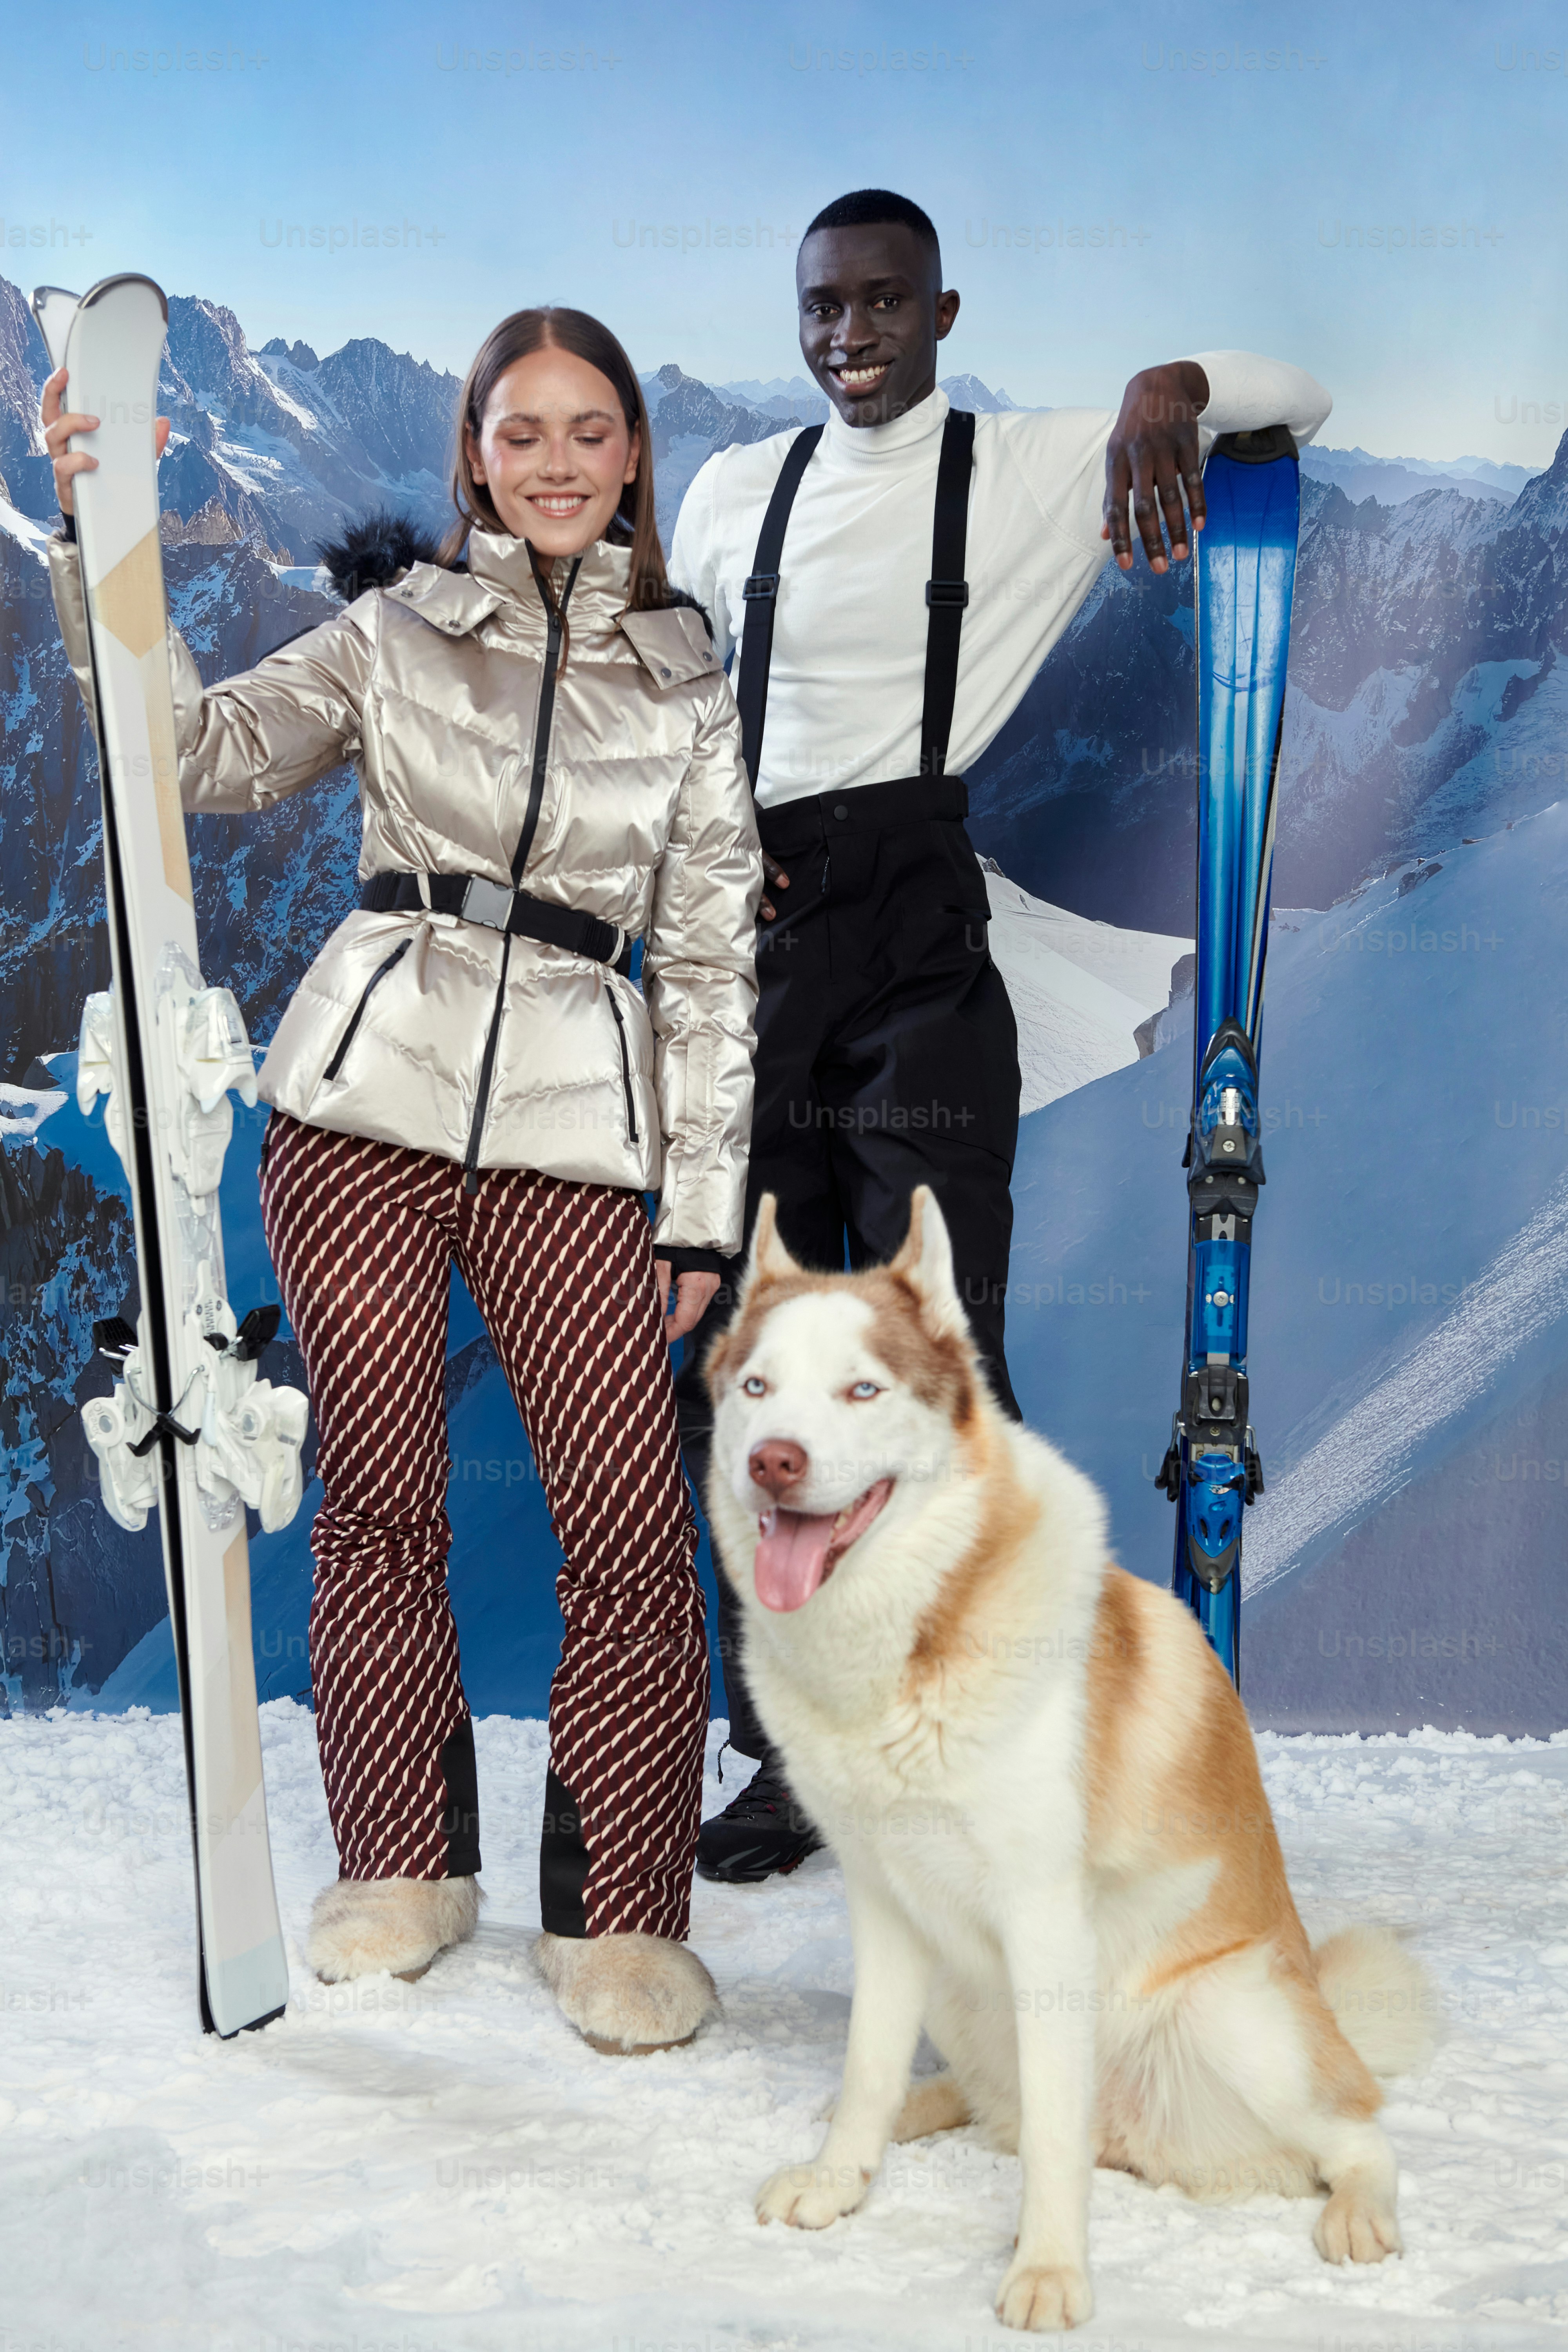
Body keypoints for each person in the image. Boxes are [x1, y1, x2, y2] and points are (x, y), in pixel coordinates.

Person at [44, 306, 762, 2051]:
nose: (559, 464)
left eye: (592, 431)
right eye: (523, 434)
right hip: (361, 1099)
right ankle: (400, 1870)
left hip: (583, 1129)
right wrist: (101, 554)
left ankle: (620, 1924)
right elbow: (197, 761)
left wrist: (698, 1201)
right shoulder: (390, 635)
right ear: (473, 455)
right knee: (373, 1504)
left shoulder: (683, 687)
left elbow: (721, 963)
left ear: (635, 456)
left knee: (628, 1542)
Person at [670, 187, 1331, 1882]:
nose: (850, 336)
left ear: (943, 315)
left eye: (885, 304)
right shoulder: (736, 488)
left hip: (914, 945)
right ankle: (797, 1753)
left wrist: (1165, 388)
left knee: (933, 1349)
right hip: (745, 935)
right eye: (822, 306)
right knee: (751, 1371)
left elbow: (1294, 394)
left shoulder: (1025, 465)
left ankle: (1001, 1743)